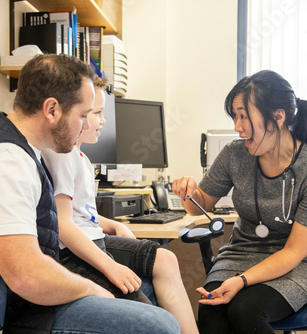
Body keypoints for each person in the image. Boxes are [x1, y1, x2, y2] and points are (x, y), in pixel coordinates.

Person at [0, 54, 180, 334]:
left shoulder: (4, 135)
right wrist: (91, 289)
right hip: (16, 312)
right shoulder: (4, 161)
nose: (85, 125)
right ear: (52, 110)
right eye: (82, 115)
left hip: (14, 298)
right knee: (158, 325)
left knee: (146, 295)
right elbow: (27, 277)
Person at [172, 70, 307, 334]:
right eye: (235, 116)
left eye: (243, 116)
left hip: (297, 265)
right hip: (240, 255)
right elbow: (201, 204)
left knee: (246, 312)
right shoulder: (235, 154)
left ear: (278, 117)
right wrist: (189, 192)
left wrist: (241, 281)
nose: (237, 126)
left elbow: (294, 251)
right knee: (211, 313)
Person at [42, 76, 199, 333]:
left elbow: (82, 213)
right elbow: (63, 223)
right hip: (75, 251)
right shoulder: (60, 155)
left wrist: (112, 224)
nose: (103, 121)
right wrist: (111, 267)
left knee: (167, 259)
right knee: (154, 322)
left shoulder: (79, 156)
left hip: (94, 238)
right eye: (96, 113)